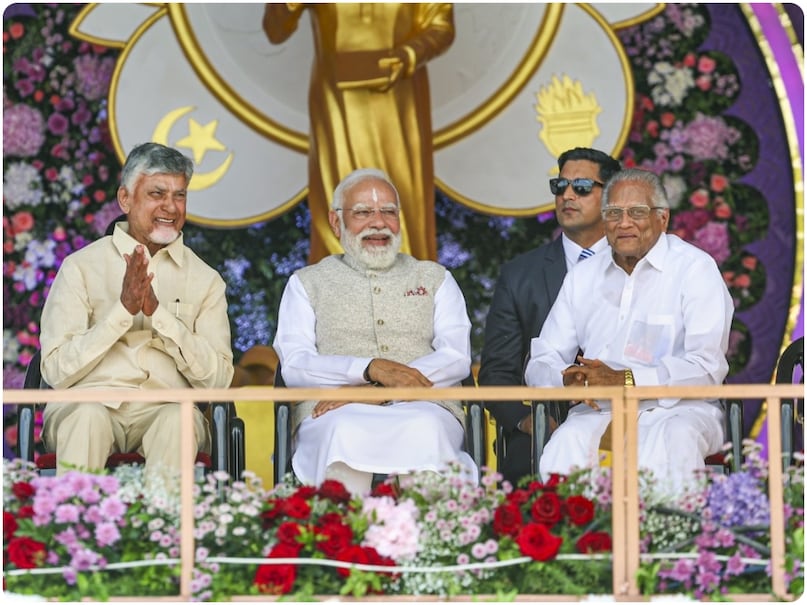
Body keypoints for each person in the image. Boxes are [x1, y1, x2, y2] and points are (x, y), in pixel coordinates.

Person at [524, 168, 733, 494]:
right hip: (596, 412)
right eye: (613, 213)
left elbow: (707, 367)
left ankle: (667, 542)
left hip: (677, 410)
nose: (624, 223)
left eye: (636, 212)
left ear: (662, 218)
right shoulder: (584, 275)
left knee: (672, 444)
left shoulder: (694, 269)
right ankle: (582, 544)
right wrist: (564, 378)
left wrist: (628, 380)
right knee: (563, 447)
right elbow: (542, 358)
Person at [272, 167, 476, 496]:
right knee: (343, 430)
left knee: (424, 428)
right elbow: (295, 364)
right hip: (333, 410)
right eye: (364, 212)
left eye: (388, 212)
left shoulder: (435, 278)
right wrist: (367, 370)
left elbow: (456, 357)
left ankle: (431, 542)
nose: (378, 222)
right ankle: (343, 542)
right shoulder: (305, 283)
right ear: (337, 222)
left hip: (425, 407)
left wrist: (383, 388)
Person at [39, 142, 235, 482]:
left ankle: (165, 534)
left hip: (167, 407)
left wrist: (159, 316)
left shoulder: (206, 280)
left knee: (180, 418)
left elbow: (218, 381)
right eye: (157, 193)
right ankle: (74, 531)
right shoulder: (80, 267)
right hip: (88, 403)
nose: (170, 207)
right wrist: (123, 311)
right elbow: (55, 371)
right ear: (126, 199)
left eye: (179, 195)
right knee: (87, 416)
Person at [263, 3, 455, 264]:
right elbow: (275, 30)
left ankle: (409, 290)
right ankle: (334, 289)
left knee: (403, 202)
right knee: (339, 198)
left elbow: (441, 27)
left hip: (399, 111)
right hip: (337, 108)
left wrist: (408, 55)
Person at [478, 147, 621, 485]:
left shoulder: (638, 264)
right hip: (545, 420)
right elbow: (497, 371)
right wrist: (528, 421)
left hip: (630, 412)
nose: (567, 195)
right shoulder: (520, 274)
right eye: (560, 186)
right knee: (524, 461)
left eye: (582, 187)